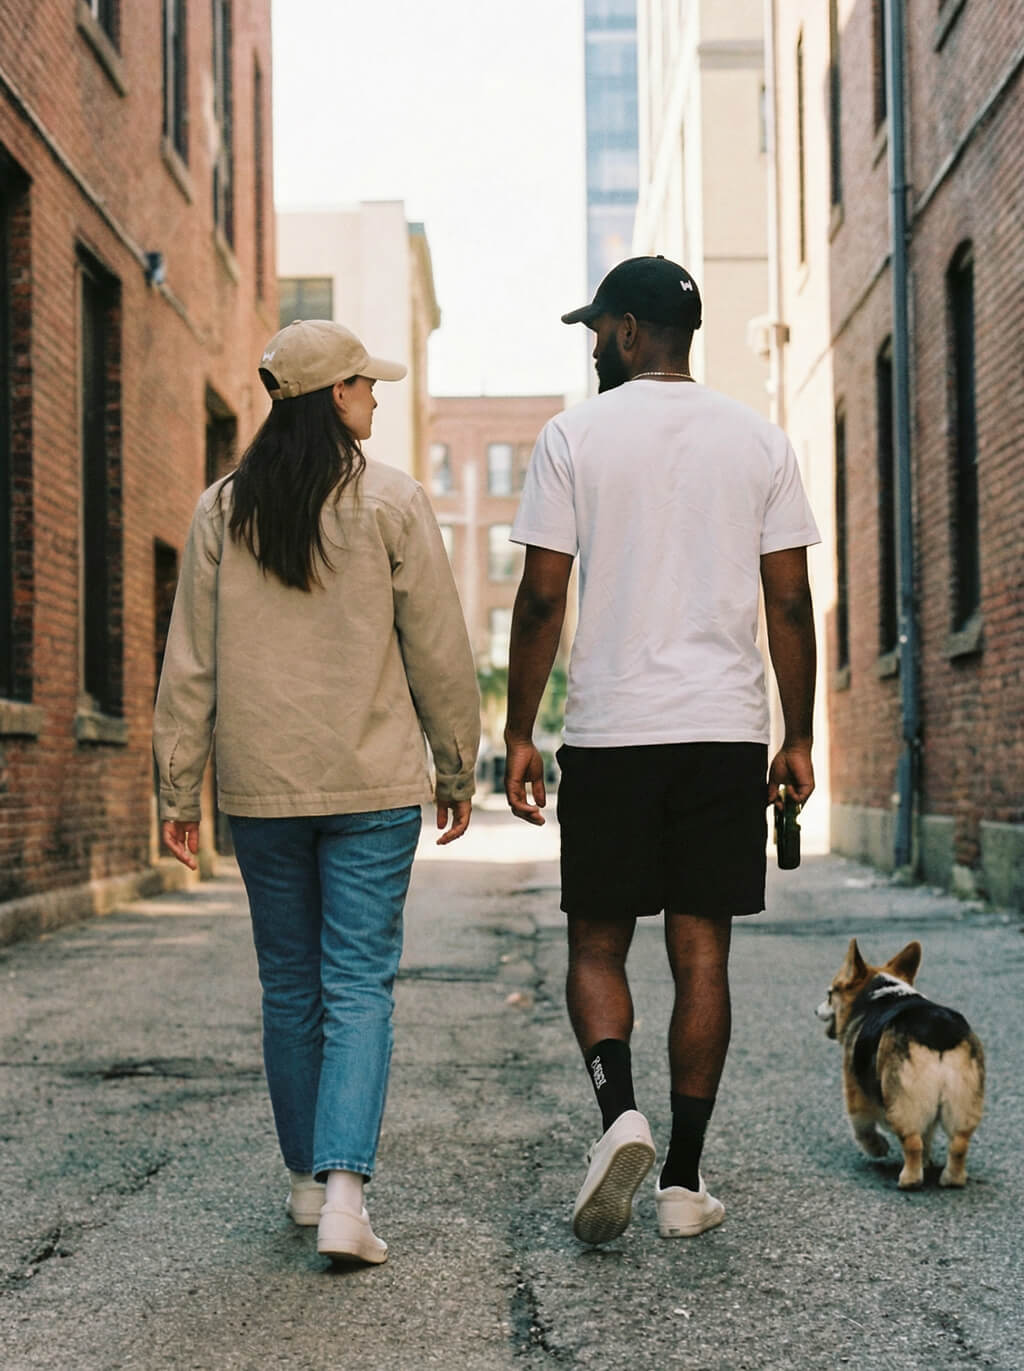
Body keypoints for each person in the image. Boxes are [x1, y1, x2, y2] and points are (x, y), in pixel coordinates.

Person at [503, 256, 819, 1246]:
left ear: (632, 331)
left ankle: (619, 1118)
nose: (593, 345)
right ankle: (682, 1182)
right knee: (701, 953)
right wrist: (798, 734)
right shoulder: (760, 440)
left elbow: (543, 596)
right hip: (722, 731)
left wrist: (518, 730)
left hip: (613, 731)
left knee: (598, 945)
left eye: (598, 329)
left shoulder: (573, 437)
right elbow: (790, 601)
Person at [154, 319, 480, 1265]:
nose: (375, 395)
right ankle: (345, 1197)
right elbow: (439, 649)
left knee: (290, 984)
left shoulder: (222, 510)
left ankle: (306, 1180)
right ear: (336, 395)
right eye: (366, 383)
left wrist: (179, 788)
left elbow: (190, 661)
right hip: (371, 783)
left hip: (262, 787)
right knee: (358, 984)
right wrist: (456, 765)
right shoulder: (393, 500)